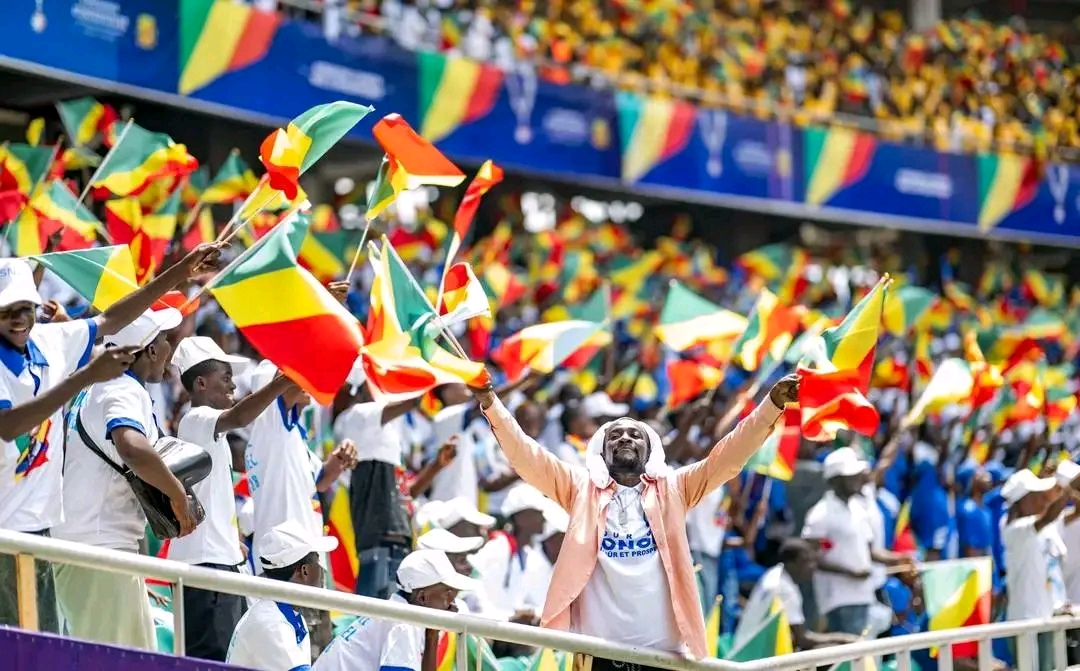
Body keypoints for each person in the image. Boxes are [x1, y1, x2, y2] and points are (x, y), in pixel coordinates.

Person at [469, 368, 798, 665]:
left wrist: (771, 405)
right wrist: (491, 403)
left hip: (663, 657)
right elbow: (526, 455)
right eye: (614, 436)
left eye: (634, 435)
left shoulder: (675, 489)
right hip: (598, 654)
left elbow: (729, 456)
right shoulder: (580, 489)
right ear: (602, 453)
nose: (624, 438)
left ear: (650, 450)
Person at [0, 243, 220, 631]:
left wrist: (180, 272)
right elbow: (8, 426)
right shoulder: (112, 387)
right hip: (9, 533)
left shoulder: (50, 342)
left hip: (43, 529)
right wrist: (86, 375)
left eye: (25, 308)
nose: (18, 319)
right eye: (6, 311)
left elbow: (113, 318)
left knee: (42, 649)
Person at [53, 308, 192, 649]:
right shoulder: (123, 390)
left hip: (87, 545)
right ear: (150, 350)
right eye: (165, 340)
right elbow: (131, 447)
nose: (169, 349)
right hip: (100, 549)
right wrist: (178, 495)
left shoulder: (97, 388)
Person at [167, 335, 299, 661]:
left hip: (219, 562)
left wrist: (232, 538)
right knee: (211, 660)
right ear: (200, 383)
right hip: (206, 566)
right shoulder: (195, 420)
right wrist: (283, 381)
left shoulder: (213, 432)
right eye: (226, 378)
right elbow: (240, 416)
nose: (233, 385)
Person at [802, 447, 912, 637]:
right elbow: (810, 556)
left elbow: (871, 552)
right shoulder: (820, 514)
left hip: (864, 594)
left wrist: (899, 559)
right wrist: (850, 572)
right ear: (835, 480)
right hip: (839, 598)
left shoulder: (858, 509)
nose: (857, 479)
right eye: (850, 476)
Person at [314, 549, 478, 671]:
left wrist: (433, 633)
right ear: (422, 598)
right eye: (448, 595)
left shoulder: (400, 612)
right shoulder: (404, 625)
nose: (453, 605)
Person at [226, 520, 338, 671]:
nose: (322, 569)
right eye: (317, 561)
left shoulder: (284, 614)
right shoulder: (273, 623)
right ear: (304, 571)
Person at [1001, 469, 1071, 671]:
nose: (1044, 501)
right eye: (1037, 496)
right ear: (1023, 501)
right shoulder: (1015, 530)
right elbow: (1049, 516)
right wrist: (1067, 487)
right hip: (1025, 624)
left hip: (1044, 619)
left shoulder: (1035, 530)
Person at [733, 538, 856, 651]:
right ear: (790, 563)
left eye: (813, 561)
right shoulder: (784, 589)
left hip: (746, 647)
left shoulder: (774, 574)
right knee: (844, 653)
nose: (812, 566)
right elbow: (803, 640)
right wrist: (845, 639)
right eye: (806, 561)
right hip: (757, 654)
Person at [469, 483, 551, 622]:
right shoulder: (499, 545)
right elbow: (477, 591)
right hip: (487, 626)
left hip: (505, 626)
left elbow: (531, 598)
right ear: (521, 518)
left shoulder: (528, 554)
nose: (543, 519)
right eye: (538, 513)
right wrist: (506, 618)